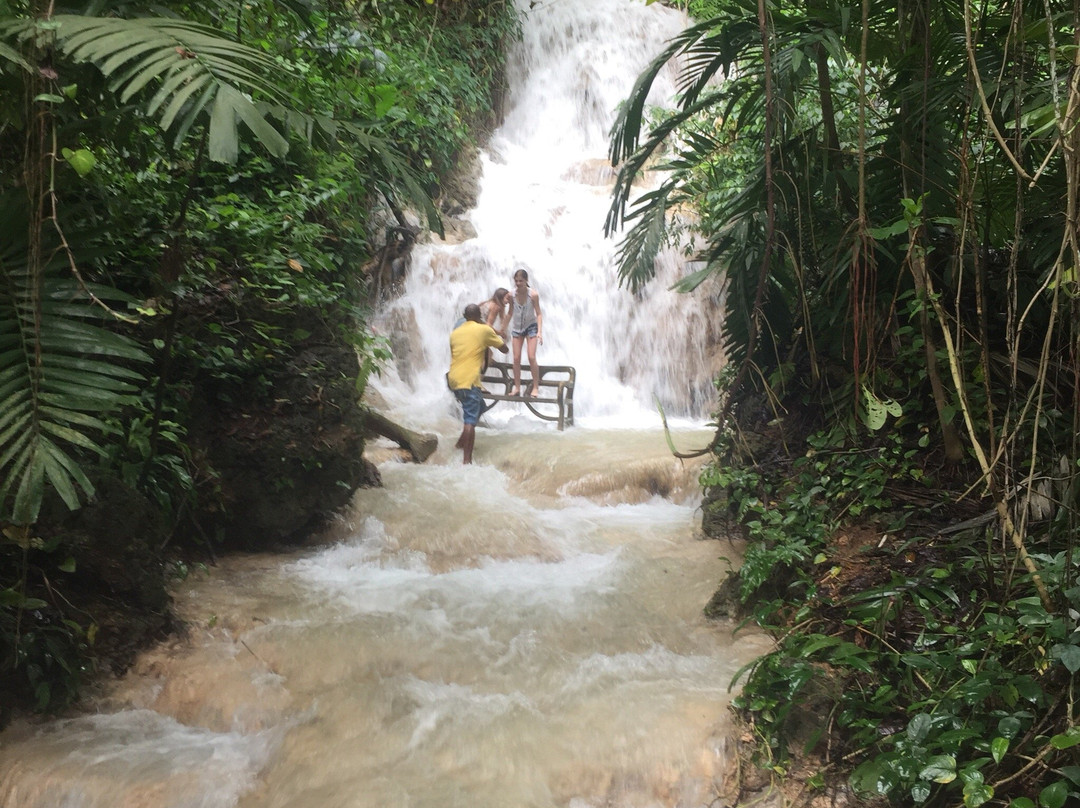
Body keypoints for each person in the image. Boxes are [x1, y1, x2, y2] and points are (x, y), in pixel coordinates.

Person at [448, 303, 508, 464]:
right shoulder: (483, 330)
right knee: (470, 421)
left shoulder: (455, 333)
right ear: (478, 316)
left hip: (453, 379)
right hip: (469, 382)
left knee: (479, 406)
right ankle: (466, 460)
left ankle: (460, 443)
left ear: (465, 316)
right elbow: (504, 349)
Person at [508, 268, 543, 397]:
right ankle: (517, 388)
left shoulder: (533, 295)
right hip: (517, 329)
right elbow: (510, 312)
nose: (518, 283)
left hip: (531, 327)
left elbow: (539, 314)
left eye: (521, 281)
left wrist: (539, 331)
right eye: (516, 281)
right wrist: (502, 328)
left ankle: (535, 387)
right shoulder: (511, 295)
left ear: (526, 280)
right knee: (516, 358)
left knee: (531, 357)